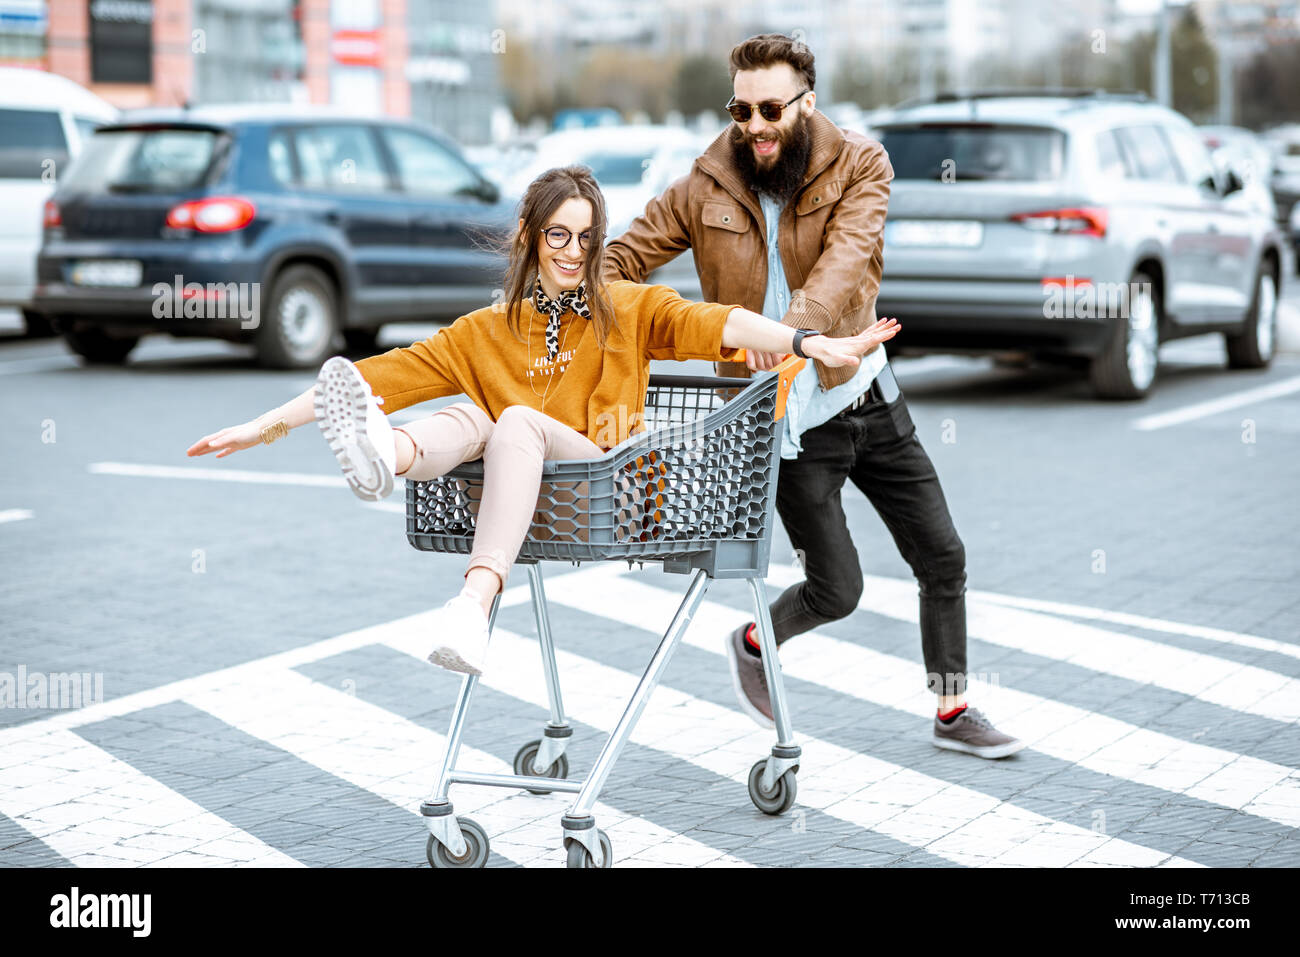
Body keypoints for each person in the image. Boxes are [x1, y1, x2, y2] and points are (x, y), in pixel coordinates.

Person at [186, 165, 899, 678]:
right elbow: (371, 379)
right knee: (475, 413)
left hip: (608, 495)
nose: (572, 252)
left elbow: (715, 321)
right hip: (529, 502)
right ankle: (388, 454)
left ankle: (474, 600)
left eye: (586, 239)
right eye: (558, 235)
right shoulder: (487, 329)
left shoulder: (626, 307)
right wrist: (263, 427)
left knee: (513, 419)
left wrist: (805, 341)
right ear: (530, 235)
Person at [601, 34, 1024, 759]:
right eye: (741, 109)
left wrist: (791, 333)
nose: (756, 126)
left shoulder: (861, 163)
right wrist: (571, 291)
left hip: (861, 389)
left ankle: (953, 707)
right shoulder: (702, 185)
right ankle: (756, 640)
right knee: (839, 588)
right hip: (785, 421)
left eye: (771, 108)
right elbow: (626, 256)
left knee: (942, 555)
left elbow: (842, 266)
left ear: (807, 102)